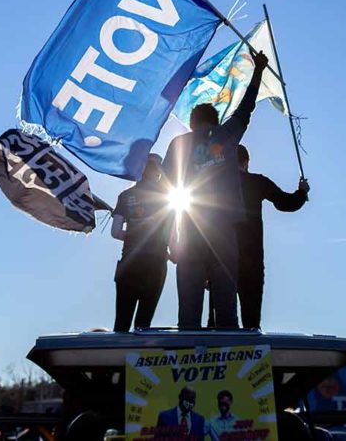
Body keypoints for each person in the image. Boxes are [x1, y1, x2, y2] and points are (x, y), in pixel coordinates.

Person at [163, 50, 268, 329]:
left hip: (190, 230)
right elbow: (247, 107)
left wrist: (170, 237)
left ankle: (187, 359)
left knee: (189, 304)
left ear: (193, 123)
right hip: (223, 232)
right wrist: (258, 70)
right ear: (216, 120)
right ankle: (229, 359)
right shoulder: (227, 135)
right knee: (225, 303)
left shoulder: (178, 145)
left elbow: (166, 194)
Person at [232, 144, 308, 329]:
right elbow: (285, 203)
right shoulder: (257, 182)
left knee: (218, 318)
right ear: (246, 162)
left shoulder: (214, 184)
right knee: (251, 318)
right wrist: (302, 192)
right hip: (252, 259)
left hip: (221, 257)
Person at [111, 154, 174, 332]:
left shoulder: (125, 195)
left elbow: (115, 232)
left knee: (121, 323)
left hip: (129, 262)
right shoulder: (168, 197)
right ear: (159, 171)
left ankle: (117, 358)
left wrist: (133, 237)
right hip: (156, 264)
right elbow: (172, 234)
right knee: (143, 324)